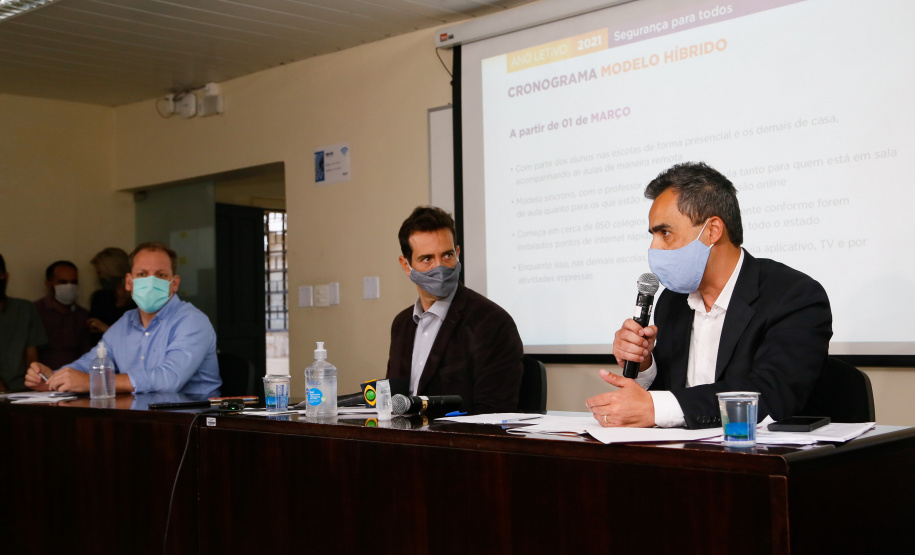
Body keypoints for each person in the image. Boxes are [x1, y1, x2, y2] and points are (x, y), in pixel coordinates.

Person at [586, 162, 832, 429]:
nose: (654, 247)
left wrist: (655, 408)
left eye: (664, 233)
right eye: (653, 235)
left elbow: (772, 395)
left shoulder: (794, 295)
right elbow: (675, 394)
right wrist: (645, 364)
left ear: (713, 230)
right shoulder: (672, 301)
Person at [24, 242, 221, 395]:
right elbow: (91, 362)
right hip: (141, 420)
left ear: (174, 283)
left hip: (194, 426)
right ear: (129, 282)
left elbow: (169, 380)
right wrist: (52, 377)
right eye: (142, 274)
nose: (150, 282)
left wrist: (92, 382)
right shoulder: (126, 322)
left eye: (160, 275)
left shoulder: (192, 321)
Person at [386, 206, 524, 413]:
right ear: (406, 265)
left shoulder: (492, 323)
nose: (440, 267)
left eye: (447, 255)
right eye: (427, 259)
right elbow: (394, 400)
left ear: (458, 254)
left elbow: (493, 415)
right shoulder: (402, 324)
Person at [0, 253, 48, 392]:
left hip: (20, 390)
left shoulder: (24, 309)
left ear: (6, 276)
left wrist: (33, 387)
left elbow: (32, 357)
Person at [34, 260, 93, 370]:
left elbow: (88, 354)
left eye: (73, 282)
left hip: (75, 378)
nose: (69, 287)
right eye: (63, 282)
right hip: (42, 378)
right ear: (49, 283)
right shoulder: (34, 312)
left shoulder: (83, 315)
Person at [87, 247, 136, 344]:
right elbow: (94, 331)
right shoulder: (100, 297)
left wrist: (106, 328)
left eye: (100, 273)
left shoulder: (139, 299)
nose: (99, 277)